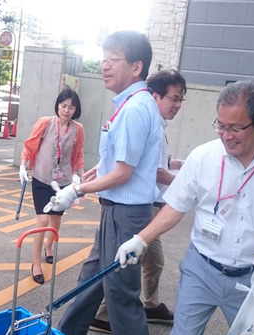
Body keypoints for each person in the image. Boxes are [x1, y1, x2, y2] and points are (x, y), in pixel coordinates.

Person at [115, 81, 254, 335]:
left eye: (235, 127)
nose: (226, 135)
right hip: (201, 270)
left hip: (253, 278)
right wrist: (142, 239)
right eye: (221, 126)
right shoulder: (203, 157)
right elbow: (175, 206)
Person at [45, 30, 161, 335]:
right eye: (103, 59)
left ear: (136, 67)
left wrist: (76, 189)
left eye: (113, 60)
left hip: (126, 214)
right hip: (115, 212)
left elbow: (124, 174)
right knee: (91, 281)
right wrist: (96, 171)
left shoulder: (136, 108)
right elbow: (118, 162)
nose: (104, 66)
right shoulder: (127, 103)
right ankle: (65, 332)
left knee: (121, 294)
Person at [90, 69, 187, 333]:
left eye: (180, 100)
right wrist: (81, 188)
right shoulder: (140, 114)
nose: (177, 105)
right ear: (154, 95)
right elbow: (142, 170)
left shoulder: (149, 118)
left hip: (138, 209)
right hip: (135, 210)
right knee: (123, 276)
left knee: (110, 269)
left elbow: (155, 164)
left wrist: (181, 166)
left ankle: (102, 315)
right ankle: (113, 314)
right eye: (173, 99)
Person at [19, 87, 85, 285]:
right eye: (63, 106)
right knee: (42, 221)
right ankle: (36, 264)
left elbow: (79, 154)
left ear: (76, 110)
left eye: (71, 107)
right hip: (41, 178)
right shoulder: (46, 123)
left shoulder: (78, 129)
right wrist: (23, 166)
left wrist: (82, 177)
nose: (66, 110)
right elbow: (29, 145)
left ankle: (49, 247)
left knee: (55, 220)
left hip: (63, 182)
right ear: (58, 105)